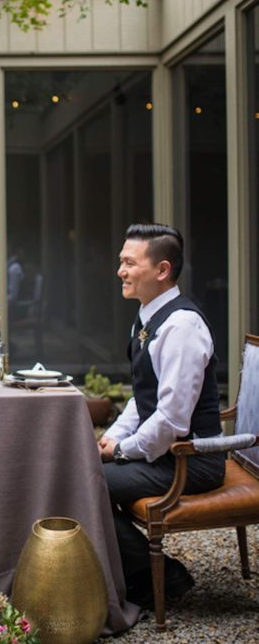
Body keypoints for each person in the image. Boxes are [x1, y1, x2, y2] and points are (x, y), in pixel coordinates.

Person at [99, 223, 225, 608]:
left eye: (129, 263)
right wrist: (114, 435)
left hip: (194, 460)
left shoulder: (181, 327)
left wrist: (121, 451)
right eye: (121, 261)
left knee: (85, 482)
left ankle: (162, 577)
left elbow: (171, 420)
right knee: (85, 473)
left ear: (162, 270)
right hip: (168, 452)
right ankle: (139, 572)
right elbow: (144, 395)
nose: (120, 270)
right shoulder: (148, 316)